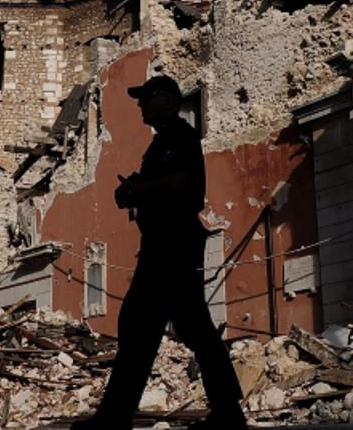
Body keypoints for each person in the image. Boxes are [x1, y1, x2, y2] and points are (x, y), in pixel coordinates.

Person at [74, 75, 245, 430]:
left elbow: (179, 184)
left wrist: (137, 190)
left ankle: (113, 419)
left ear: (167, 99)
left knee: (140, 327)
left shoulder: (179, 137)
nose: (140, 105)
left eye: (147, 98)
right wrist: (138, 189)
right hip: (166, 245)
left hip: (172, 245)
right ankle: (227, 413)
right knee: (188, 327)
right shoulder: (164, 141)